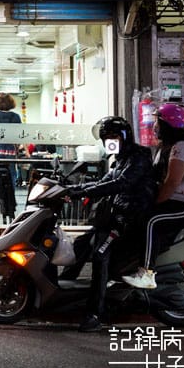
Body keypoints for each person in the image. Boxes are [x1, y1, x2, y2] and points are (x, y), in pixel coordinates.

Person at [64, 115, 159, 331]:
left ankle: (94, 313)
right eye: (107, 137)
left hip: (131, 218)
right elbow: (104, 181)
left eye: (114, 136)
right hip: (116, 217)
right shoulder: (120, 159)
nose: (110, 140)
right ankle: (65, 294)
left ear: (125, 136)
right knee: (80, 244)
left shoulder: (139, 157)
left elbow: (121, 183)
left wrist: (85, 192)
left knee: (99, 255)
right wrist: (73, 189)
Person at [122, 103, 184, 290]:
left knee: (152, 220)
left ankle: (147, 273)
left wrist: (154, 204)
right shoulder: (165, 148)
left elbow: (172, 183)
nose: (154, 126)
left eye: (157, 121)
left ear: (167, 124)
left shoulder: (182, 147)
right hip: (175, 203)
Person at [0, 93, 23, 216]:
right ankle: (10, 204)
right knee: (11, 177)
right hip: (10, 151)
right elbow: (19, 136)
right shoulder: (16, 117)